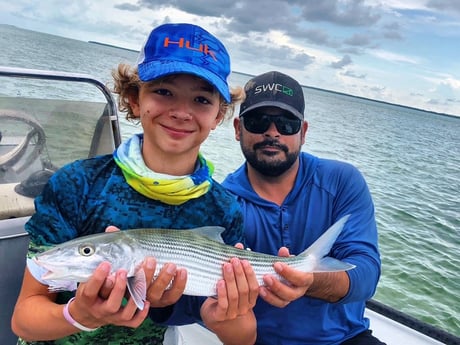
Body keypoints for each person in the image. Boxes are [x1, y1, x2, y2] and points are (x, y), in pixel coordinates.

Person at [11, 23, 258, 345]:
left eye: (201, 99)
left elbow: (244, 337)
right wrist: (80, 315)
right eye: (164, 92)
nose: (182, 112)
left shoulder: (223, 208)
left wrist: (224, 317)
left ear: (218, 116)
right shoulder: (77, 183)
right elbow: (24, 320)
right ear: (134, 99)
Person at [222, 71, 385, 345]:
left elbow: (366, 274)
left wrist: (310, 281)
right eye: (258, 121)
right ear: (238, 128)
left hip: (347, 339)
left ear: (303, 132)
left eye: (286, 123)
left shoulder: (341, 180)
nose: (272, 132)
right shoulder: (223, 201)